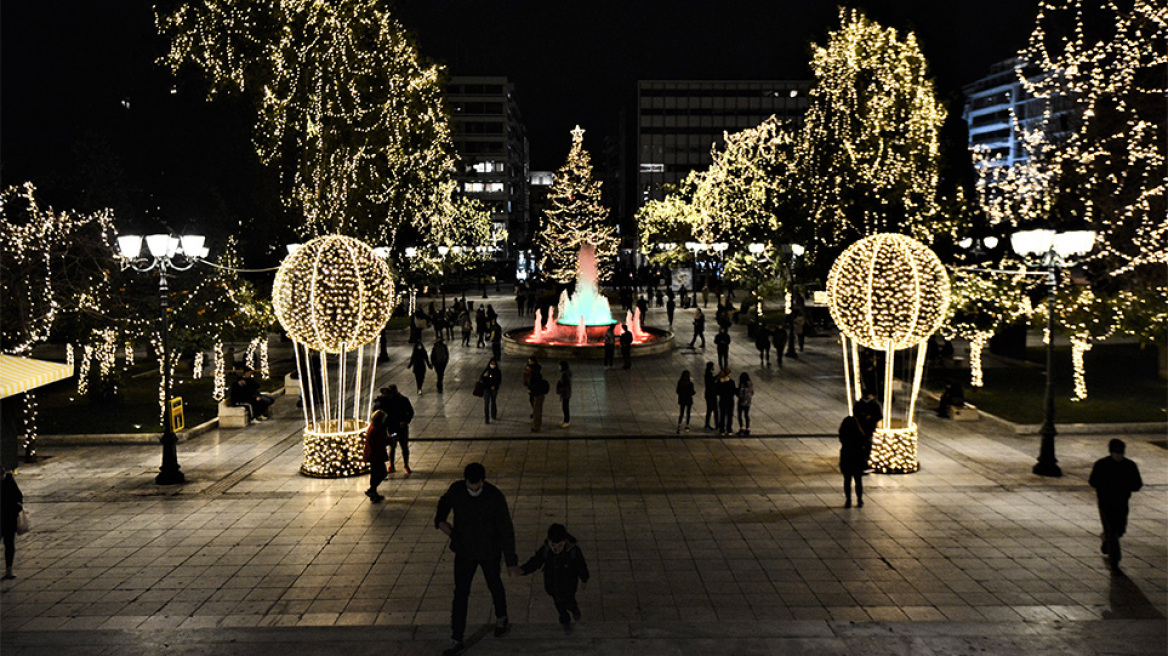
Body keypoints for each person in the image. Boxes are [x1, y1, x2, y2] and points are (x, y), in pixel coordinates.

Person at [435, 462, 520, 655]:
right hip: (464, 552)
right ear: (465, 481)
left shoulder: (494, 496)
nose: (474, 489)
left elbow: (506, 530)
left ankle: (501, 617)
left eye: (478, 486)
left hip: (489, 552)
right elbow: (444, 503)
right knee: (461, 594)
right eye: (471, 486)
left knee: (494, 584)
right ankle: (457, 637)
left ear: (483, 481)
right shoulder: (457, 490)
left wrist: (511, 560)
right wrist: (440, 522)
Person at [520, 523, 590, 633]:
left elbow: (581, 565)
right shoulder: (546, 550)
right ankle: (565, 621)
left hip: (568, 585)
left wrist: (584, 579)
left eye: (559, 546)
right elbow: (536, 561)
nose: (556, 549)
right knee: (559, 604)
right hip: (552, 584)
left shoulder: (573, 551)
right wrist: (524, 570)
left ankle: (574, 609)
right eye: (553, 545)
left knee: (569, 601)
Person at [1089, 439, 1143, 575]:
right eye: (1116, 453)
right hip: (1106, 503)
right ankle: (1115, 561)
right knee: (1112, 529)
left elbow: (1137, 484)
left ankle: (1106, 540)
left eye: (1121, 453)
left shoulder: (1129, 466)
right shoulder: (1102, 465)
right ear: (1111, 452)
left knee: (1119, 529)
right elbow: (1093, 481)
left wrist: (1126, 487)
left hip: (1121, 502)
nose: (1119, 456)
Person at [838, 407, 871, 508]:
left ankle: (848, 500)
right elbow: (866, 444)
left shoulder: (844, 436)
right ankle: (859, 500)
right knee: (858, 481)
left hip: (846, 458)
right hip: (857, 459)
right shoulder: (860, 435)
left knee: (847, 481)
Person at [382, 385, 414, 474]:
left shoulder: (403, 400)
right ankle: (391, 465)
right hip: (392, 428)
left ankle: (406, 465)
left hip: (401, 428)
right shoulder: (387, 401)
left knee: (404, 446)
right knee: (392, 447)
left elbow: (411, 412)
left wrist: (405, 421)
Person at [362, 410, 391, 502]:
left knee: (375, 473)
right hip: (376, 455)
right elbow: (380, 442)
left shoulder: (373, 427)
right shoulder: (376, 430)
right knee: (381, 473)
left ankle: (373, 491)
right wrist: (390, 439)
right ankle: (372, 490)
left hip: (374, 455)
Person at [1, 466, 23, 580]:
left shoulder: (9, 481)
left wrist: (14, 508)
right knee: (9, 544)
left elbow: (18, 497)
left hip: (8, 518)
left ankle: (9, 568)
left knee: (9, 544)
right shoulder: (8, 480)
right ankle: (9, 569)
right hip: (7, 518)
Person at [714, 369, 737, 435]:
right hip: (730, 400)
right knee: (729, 415)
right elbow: (733, 391)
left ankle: (722, 430)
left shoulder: (719, 382)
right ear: (728, 374)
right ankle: (729, 429)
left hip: (722, 400)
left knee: (722, 415)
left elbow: (716, 391)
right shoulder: (731, 382)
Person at [528, 360, 548, 432]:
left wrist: (531, 390)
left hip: (537, 395)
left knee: (537, 412)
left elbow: (534, 386)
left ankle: (537, 427)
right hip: (539, 395)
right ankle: (537, 425)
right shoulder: (538, 375)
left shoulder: (534, 376)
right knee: (537, 411)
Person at [481, 359, 501, 424]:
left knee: (493, 402)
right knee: (486, 404)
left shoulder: (497, 372)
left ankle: (493, 414)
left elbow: (498, 380)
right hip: (486, 389)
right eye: (491, 363)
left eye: (493, 363)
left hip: (493, 389)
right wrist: (484, 376)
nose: (492, 365)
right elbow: (481, 379)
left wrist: (494, 386)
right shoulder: (486, 371)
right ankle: (487, 418)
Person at [703, 362, 719, 431]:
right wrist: (717, 376)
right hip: (711, 394)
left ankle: (708, 424)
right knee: (713, 409)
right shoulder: (708, 374)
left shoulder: (707, 373)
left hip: (709, 393)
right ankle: (715, 424)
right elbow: (711, 382)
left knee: (710, 409)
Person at [556, 361, 572, 428]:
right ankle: (566, 421)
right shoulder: (567, 373)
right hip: (567, 393)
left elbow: (565, 385)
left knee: (565, 407)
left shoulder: (564, 375)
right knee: (565, 407)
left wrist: (559, 389)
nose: (559, 367)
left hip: (566, 393)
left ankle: (566, 421)